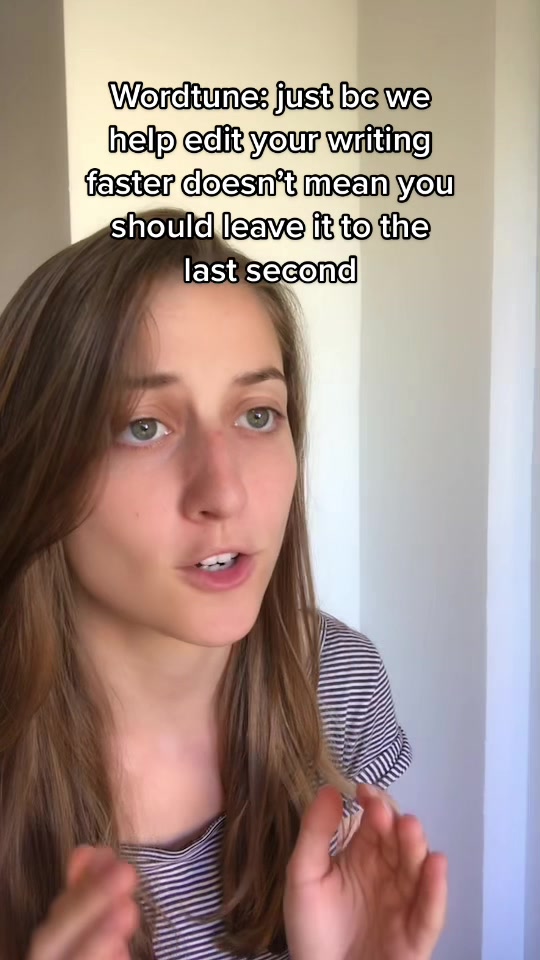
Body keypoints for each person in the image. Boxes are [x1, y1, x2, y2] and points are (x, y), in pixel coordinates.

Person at [0, 208, 447, 960]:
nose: (225, 491)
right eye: (143, 426)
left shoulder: (337, 682)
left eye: (258, 415)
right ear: (36, 461)